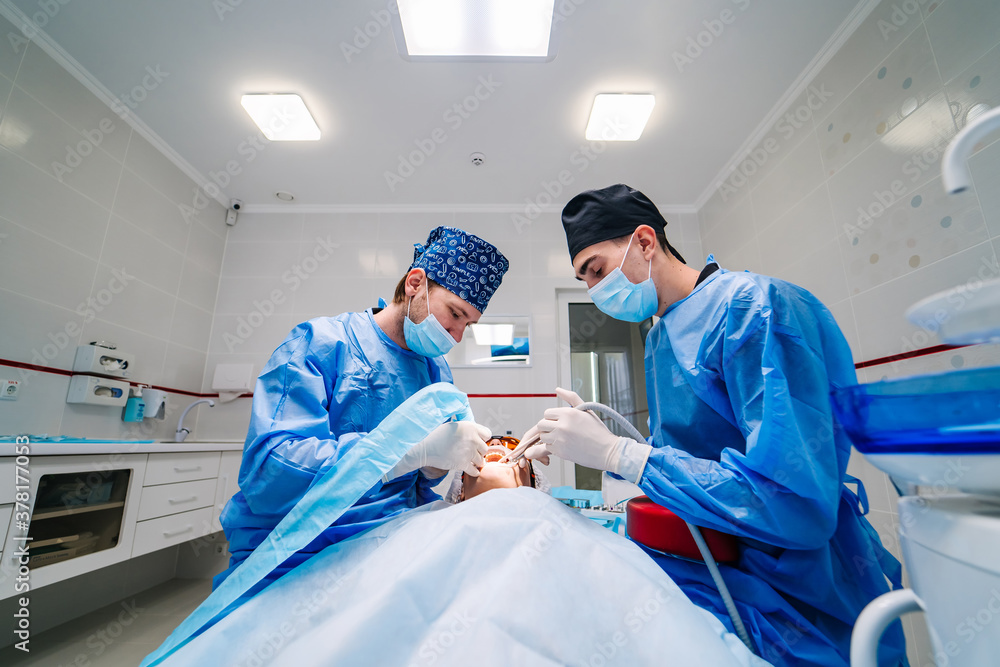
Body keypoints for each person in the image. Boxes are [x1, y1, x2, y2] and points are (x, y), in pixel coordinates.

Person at [522, 184, 907, 667]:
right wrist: (604, 441)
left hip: (794, 587)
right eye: (584, 280)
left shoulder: (754, 309)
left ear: (645, 242)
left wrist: (618, 455)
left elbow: (792, 501)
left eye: (597, 271)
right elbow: (692, 456)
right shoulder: (662, 335)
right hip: (718, 567)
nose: (594, 291)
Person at [216, 225, 509, 593]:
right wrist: (404, 451)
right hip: (299, 548)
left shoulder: (436, 372)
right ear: (414, 284)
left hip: (391, 538)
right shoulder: (321, 344)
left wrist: (433, 463)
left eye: (468, 324)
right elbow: (272, 472)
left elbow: (417, 481)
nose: (456, 335)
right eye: (455, 314)